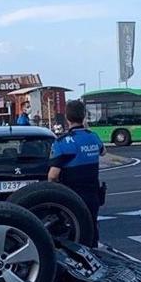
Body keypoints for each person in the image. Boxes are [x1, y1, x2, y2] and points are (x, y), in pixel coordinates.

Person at [48, 99, 105, 236]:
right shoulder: (93, 137)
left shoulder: (63, 142)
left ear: (67, 118)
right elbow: (103, 152)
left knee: (75, 230)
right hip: (93, 193)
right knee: (92, 228)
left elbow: (52, 175)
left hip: (71, 195)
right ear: (84, 116)